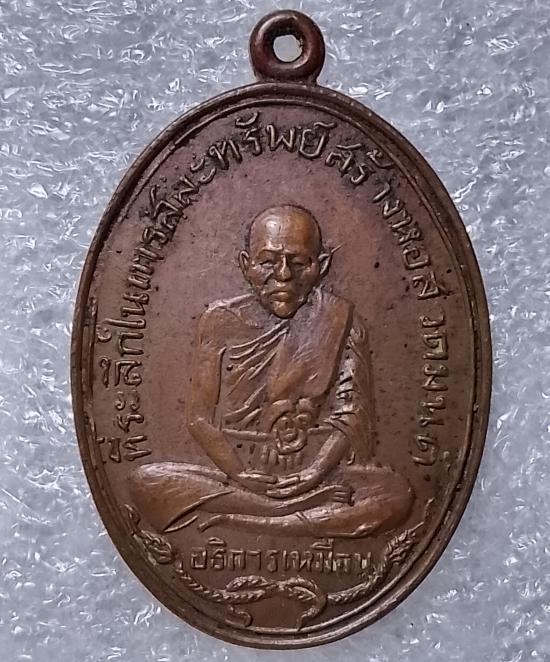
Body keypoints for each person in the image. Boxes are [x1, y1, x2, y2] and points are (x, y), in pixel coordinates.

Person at [129, 205, 413, 537]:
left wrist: (313, 474)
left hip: (315, 468)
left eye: (299, 262)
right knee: (146, 482)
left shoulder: (339, 321)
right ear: (245, 265)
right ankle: (284, 512)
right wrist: (240, 474)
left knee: (394, 494)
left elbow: (349, 415)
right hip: (237, 468)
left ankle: (255, 516)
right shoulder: (220, 320)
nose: (283, 275)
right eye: (267, 262)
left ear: (322, 266)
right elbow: (200, 419)